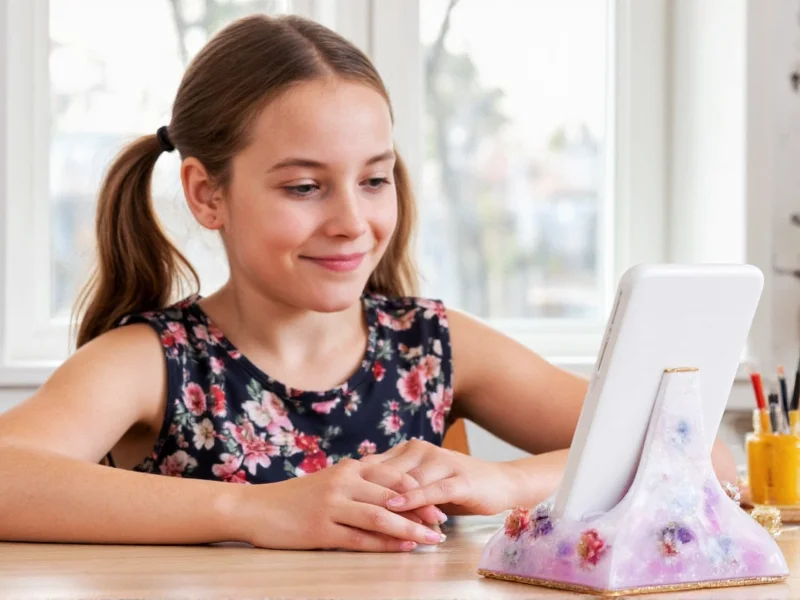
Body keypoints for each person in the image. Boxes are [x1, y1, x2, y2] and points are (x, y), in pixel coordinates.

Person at [0, 14, 737, 553]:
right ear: (206, 194)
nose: (353, 221)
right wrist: (256, 512)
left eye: (375, 179)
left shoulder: (432, 345)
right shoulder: (153, 361)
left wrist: (505, 485)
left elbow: (701, 454)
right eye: (304, 187)